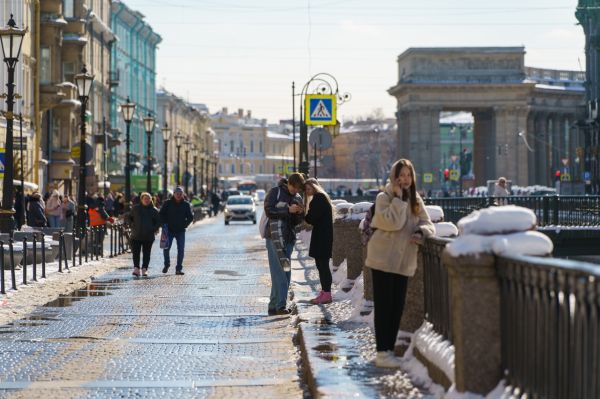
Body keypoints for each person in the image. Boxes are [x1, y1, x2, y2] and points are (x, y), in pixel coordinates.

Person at [365, 159, 434, 368]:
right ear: (394, 178)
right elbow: (392, 223)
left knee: (397, 307)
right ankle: (382, 352)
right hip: (383, 259)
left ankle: (389, 351)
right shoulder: (383, 198)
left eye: (408, 175)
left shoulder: (416, 200)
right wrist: (398, 199)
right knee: (384, 306)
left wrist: (421, 232)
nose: (405, 179)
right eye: (401, 175)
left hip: (404, 261)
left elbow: (428, 223)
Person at [264, 173, 305, 315]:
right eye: (294, 188)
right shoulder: (275, 192)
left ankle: (273, 305)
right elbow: (269, 211)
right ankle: (280, 305)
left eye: (298, 190)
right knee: (279, 272)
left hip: (288, 238)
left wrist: (299, 213)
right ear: (289, 183)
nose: (296, 191)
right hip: (274, 237)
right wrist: (287, 209)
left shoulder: (298, 198)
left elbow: (296, 222)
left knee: (284, 272)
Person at [304, 178, 334, 305]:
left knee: (323, 266)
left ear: (315, 187)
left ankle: (327, 294)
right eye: (306, 189)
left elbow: (311, 218)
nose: (307, 191)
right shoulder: (321, 197)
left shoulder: (318, 198)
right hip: (323, 236)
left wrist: (302, 212)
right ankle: (325, 292)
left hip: (322, 237)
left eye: (309, 188)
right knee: (321, 266)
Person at [159, 186, 194, 275]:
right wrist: (164, 224)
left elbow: (190, 217)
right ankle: (167, 264)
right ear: (173, 194)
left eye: (180, 194)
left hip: (180, 231)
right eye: (177, 193)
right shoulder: (167, 203)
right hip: (169, 230)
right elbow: (161, 214)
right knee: (166, 248)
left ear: (183, 195)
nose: (178, 195)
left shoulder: (186, 204)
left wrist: (184, 225)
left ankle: (178, 269)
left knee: (181, 250)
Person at [127, 192, 161, 277]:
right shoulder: (135, 208)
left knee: (146, 253)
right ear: (141, 200)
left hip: (148, 236)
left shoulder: (154, 210)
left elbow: (159, 222)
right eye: (145, 198)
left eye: (148, 199)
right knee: (136, 253)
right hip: (136, 235)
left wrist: (153, 229)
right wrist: (131, 225)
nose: (146, 200)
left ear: (151, 200)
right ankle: (136, 269)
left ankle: (144, 269)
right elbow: (129, 217)